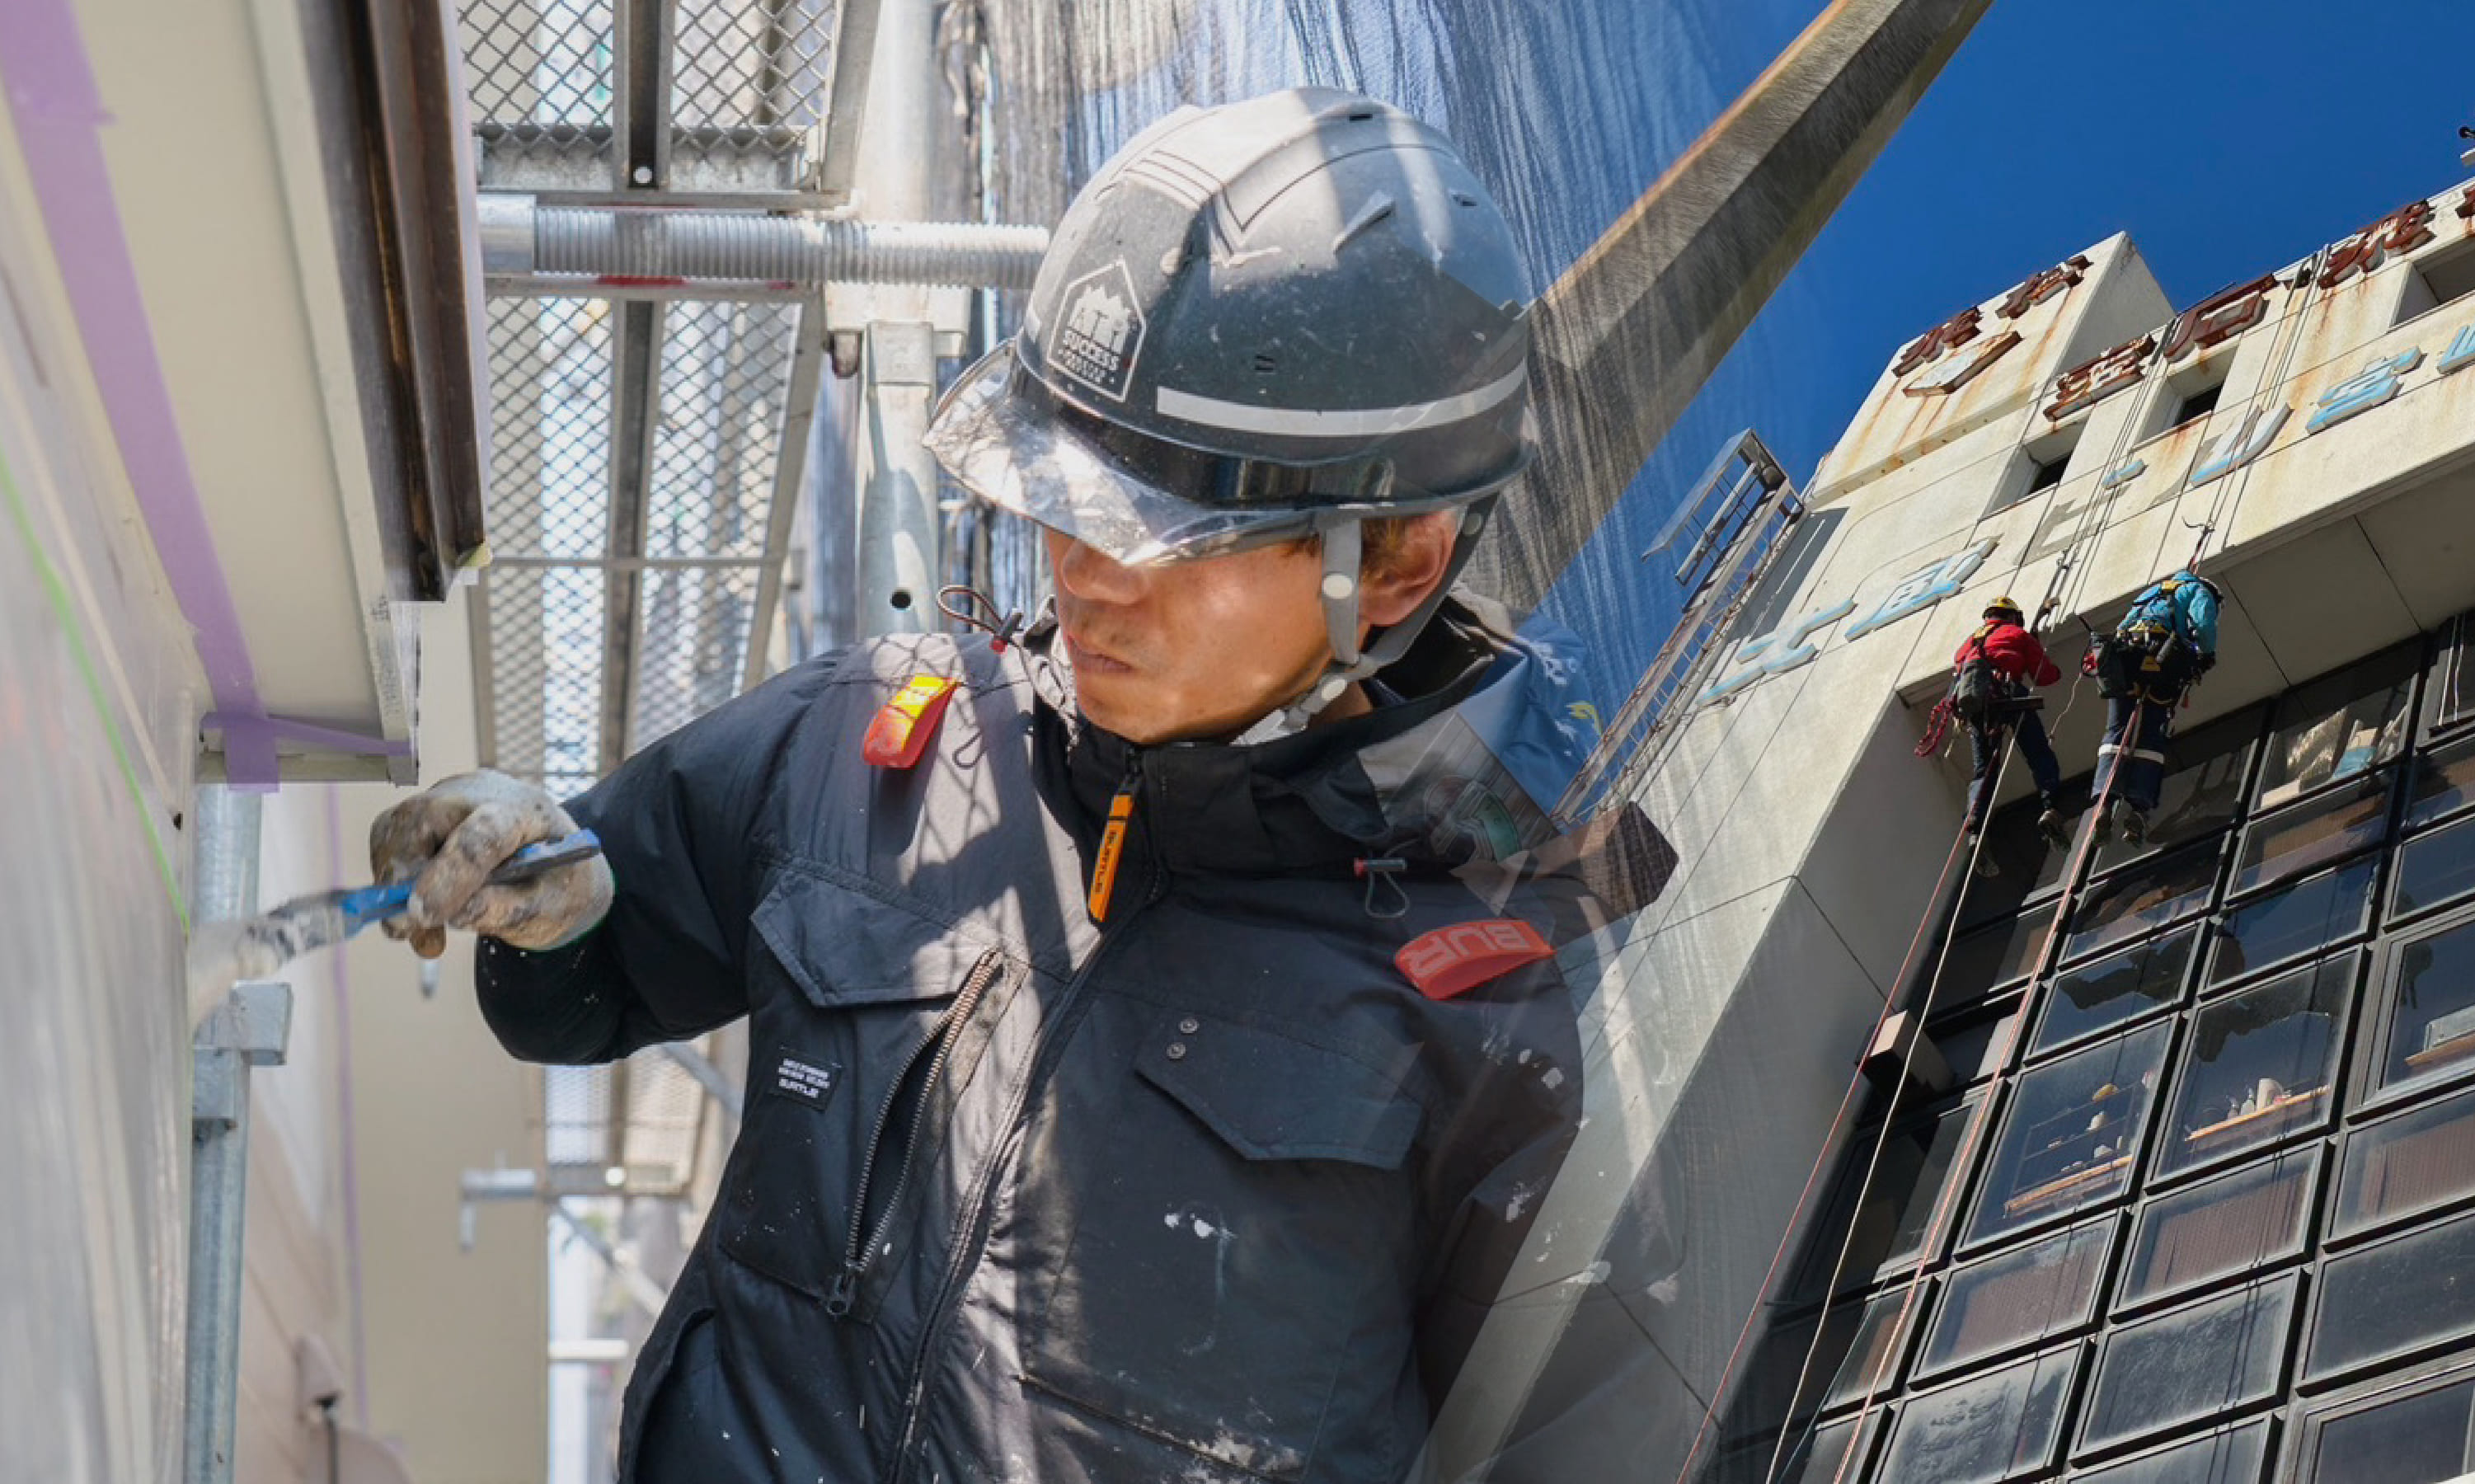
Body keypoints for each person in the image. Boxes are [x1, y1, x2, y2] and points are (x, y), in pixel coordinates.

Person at [367, 90, 1595, 1482]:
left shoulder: (1500, 1011)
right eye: (1066, 499)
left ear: (1395, 567)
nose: (1082, 572)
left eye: (1165, 535)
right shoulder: (864, 741)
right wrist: (565, 913)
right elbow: (598, 983)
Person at [2086, 567, 2223, 843]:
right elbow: (2204, 623)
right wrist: (2207, 654)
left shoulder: (2148, 595)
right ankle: (2139, 807)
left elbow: (2122, 628)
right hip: (2162, 663)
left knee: (2116, 729)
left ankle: (2105, 802)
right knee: (2150, 734)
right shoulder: (2198, 590)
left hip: (2126, 661)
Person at [1951, 594, 2083, 845]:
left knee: (1984, 768)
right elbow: (2044, 675)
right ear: (2012, 617)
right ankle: (2050, 807)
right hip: (2009, 693)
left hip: (1978, 703)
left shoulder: (1966, 646)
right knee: (2038, 754)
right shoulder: (2016, 634)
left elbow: (1959, 683)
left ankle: (1975, 828)